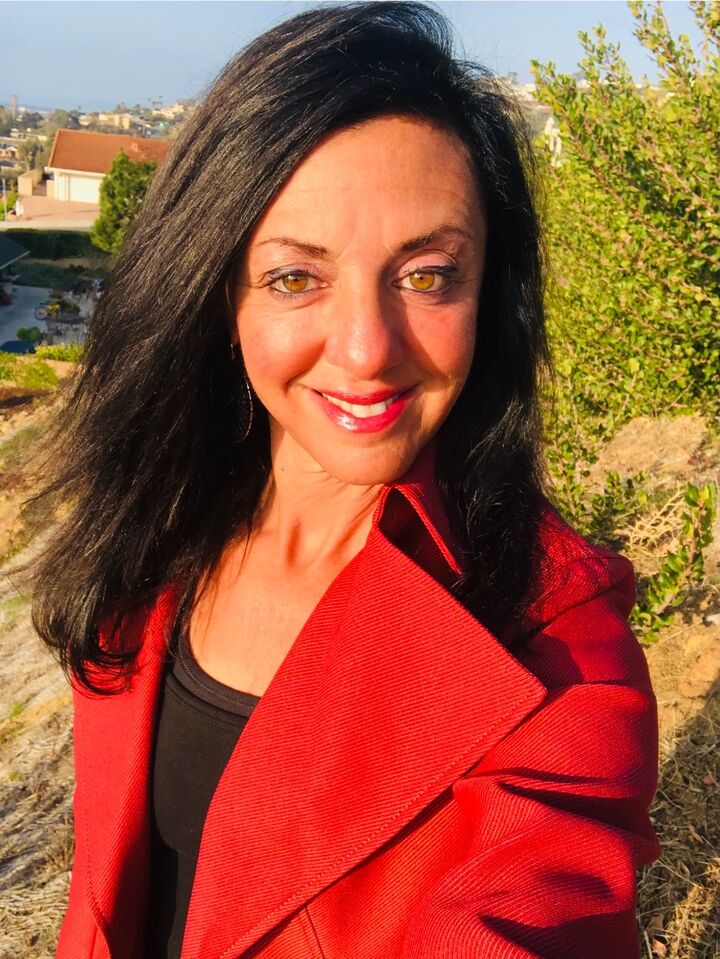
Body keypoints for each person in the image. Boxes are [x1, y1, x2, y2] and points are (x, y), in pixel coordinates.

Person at [33, 4, 659, 957]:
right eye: (296, 278)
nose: (367, 350)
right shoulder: (158, 534)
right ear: (218, 293)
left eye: (428, 275)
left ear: (489, 296)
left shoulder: (557, 642)